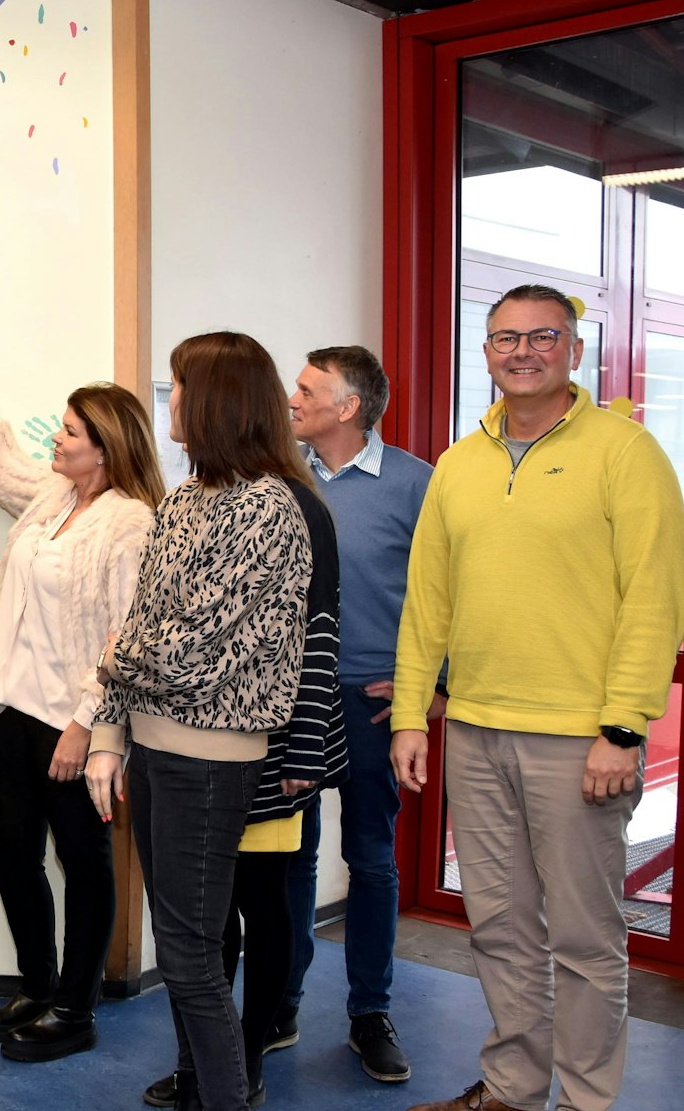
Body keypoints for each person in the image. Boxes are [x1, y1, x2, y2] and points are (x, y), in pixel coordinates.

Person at [393, 284, 684, 1111]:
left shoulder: (625, 454)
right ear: (485, 354)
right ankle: (514, 1090)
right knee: (500, 928)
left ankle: (587, 1102)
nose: (522, 352)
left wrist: (624, 727)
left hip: (580, 739)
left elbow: (654, 598)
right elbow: (429, 602)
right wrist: (413, 712)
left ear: (574, 351)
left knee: (587, 940)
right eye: (504, 339)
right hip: (479, 731)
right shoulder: (460, 462)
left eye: (542, 336)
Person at [85, 331, 314, 1111]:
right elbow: (145, 628)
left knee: (189, 955)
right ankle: (200, 1086)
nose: (169, 401)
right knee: (187, 946)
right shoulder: (182, 502)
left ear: (217, 400)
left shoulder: (269, 508)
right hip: (152, 750)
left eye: (179, 387)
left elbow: (185, 655)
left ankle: (223, 1094)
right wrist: (109, 735)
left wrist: (118, 658)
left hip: (212, 761)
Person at [0, 333, 163, 1061]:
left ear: (104, 449)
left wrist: (87, 726)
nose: (59, 437)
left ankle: (76, 1008)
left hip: (73, 722)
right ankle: (37, 986)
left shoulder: (132, 521)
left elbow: (124, 638)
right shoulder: (55, 495)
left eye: (71, 431)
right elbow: (2, 468)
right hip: (15, 708)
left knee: (82, 857)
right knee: (9, 845)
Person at [144, 473, 343, 1109]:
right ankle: (208, 1060)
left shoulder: (295, 507)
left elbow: (317, 634)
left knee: (262, 902)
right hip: (204, 737)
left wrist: (308, 744)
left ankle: (249, 1052)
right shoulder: (199, 497)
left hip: (276, 747)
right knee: (209, 919)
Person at [277, 345, 437, 1083]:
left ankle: (369, 1012)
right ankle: (281, 1004)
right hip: (291, 705)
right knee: (290, 857)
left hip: (375, 703)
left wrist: (432, 690)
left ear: (348, 407)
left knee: (370, 860)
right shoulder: (280, 478)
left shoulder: (415, 485)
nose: (292, 397)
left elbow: (449, 598)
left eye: (307, 388)